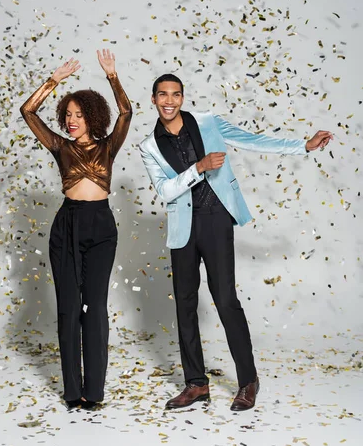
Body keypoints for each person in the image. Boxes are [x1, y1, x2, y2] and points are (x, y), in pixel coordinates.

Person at [139, 73, 332, 411]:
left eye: (176, 94)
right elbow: (166, 191)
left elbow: (252, 139)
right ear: (153, 99)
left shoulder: (207, 123)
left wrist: (303, 145)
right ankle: (196, 384)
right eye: (162, 95)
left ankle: (248, 381)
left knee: (225, 299)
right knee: (184, 306)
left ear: (182, 98)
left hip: (215, 220)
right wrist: (198, 167)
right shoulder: (149, 147)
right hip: (183, 228)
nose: (169, 100)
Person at [20, 50, 132, 410]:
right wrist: (54, 80)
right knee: (69, 308)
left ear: (93, 117)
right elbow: (28, 112)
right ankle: (72, 392)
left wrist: (112, 76)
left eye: (78, 115)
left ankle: (94, 393)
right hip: (66, 225)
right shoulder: (59, 146)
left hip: (101, 225)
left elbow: (127, 113)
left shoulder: (108, 147)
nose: (71, 121)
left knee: (94, 308)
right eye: (67, 115)